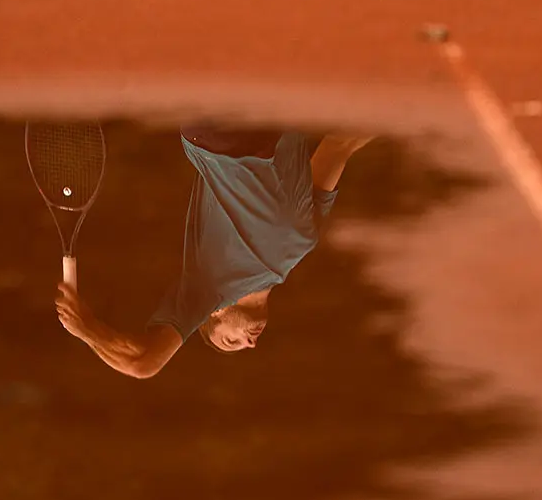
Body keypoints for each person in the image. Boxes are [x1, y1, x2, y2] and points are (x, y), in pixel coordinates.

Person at [55, 129, 374, 376]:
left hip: (222, 140)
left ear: (214, 316)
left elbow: (143, 363)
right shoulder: (304, 245)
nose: (250, 342)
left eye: (229, 340)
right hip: (274, 116)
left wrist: (86, 328)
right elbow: (339, 145)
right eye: (242, 344)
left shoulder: (209, 291)